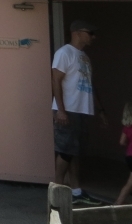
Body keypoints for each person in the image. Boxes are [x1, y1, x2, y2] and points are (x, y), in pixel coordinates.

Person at [52, 19, 107, 205]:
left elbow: (91, 85)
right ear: (77, 32)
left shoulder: (84, 56)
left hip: (82, 110)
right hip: (68, 110)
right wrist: (61, 110)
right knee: (65, 151)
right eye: (90, 33)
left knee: (75, 152)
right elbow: (56, 81)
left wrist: (100, 110)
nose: (93, 37)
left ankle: (76, 192)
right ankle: (57, 193)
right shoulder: (64, 53)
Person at [117, 101, 132, 206]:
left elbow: (122, 141)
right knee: (130, 183)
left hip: (129, 156)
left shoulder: (127, 127)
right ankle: (118, 203)